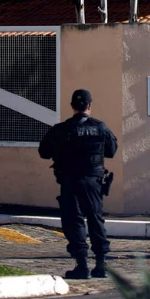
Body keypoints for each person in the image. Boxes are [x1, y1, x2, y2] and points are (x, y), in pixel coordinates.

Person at [38, 89, 118, 280]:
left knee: (74, 221)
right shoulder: (101, 127)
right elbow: (111, 151)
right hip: (93, 183)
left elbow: (43, 152)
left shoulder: (61, 129)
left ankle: (82, 266)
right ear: (90, 105)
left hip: (70, 181)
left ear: (72, 106)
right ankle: (101, 264)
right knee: (95, 220)